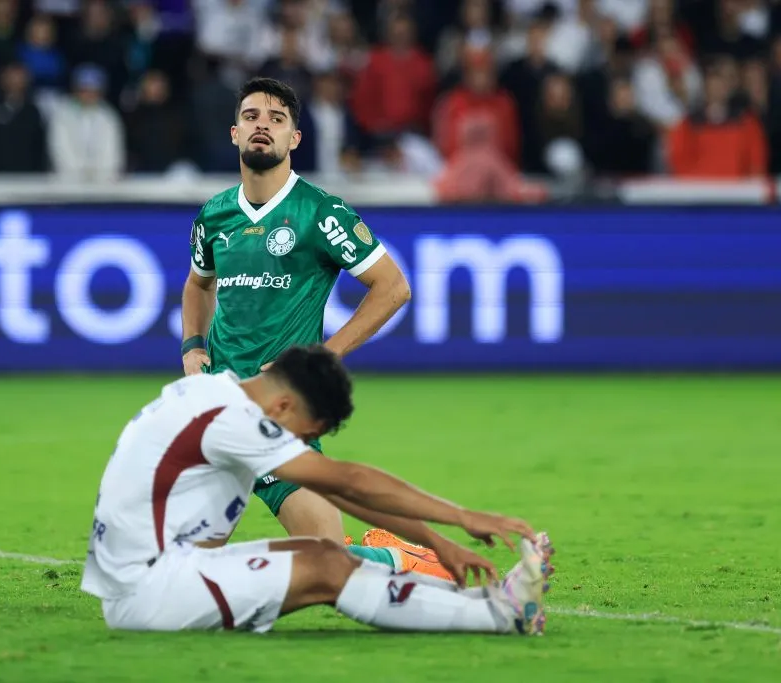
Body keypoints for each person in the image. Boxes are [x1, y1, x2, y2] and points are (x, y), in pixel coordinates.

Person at [82, 345, 555, 634]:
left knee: (324, 552)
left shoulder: (218, 395)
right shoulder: (231, 418)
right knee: (327, 564)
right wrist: (464, 517)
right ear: (285, 404)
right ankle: (500, 615)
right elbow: (349, 480)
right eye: (308, 434)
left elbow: (343, 494)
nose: (304, 444)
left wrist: (436, 542)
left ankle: (488, 606)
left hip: (158, 574)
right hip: (149, 591)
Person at [179, 76, 441, 576]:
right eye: (252, 116)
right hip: (219, 407)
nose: (263, 127)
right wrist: (193, 346)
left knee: (329, 560)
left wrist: (322, 357)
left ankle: (400, 558)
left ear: (294, 140)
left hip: (281, 414)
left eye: (277, 120)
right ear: (235, 132)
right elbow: (198, 285)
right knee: (183, 568)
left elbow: (393, 287)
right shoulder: (214, 215)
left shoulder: (320, 212)